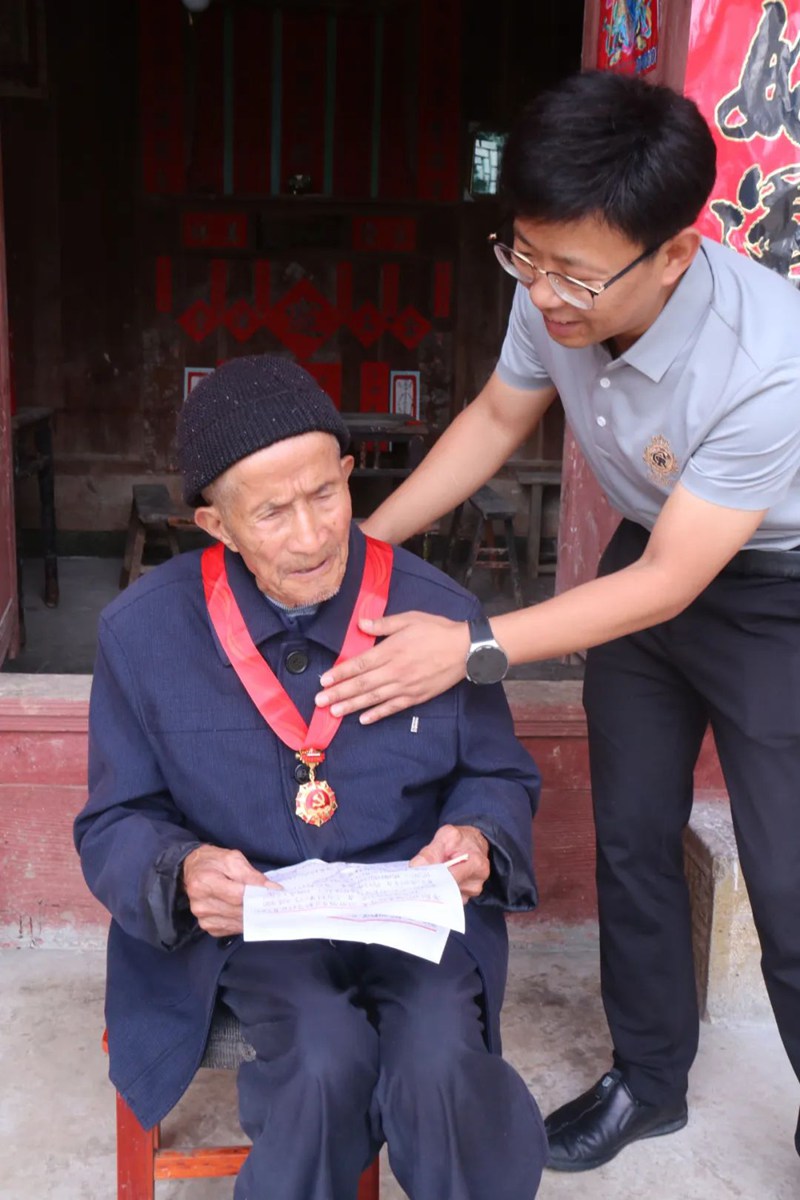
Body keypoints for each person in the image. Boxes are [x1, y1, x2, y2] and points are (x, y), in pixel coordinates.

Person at [313, 71, 800, 1172]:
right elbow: (494, 416)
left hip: (774, 591)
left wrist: (474, 648)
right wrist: (362, 551)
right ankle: (648, 1081)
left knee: (788, 881)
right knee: (629, 837)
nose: (543, 294)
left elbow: (678, 579)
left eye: (571, 273)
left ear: (672, 253)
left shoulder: (771, 358)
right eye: (522, 257)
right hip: (648, 554)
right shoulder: (551, 285)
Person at [73, 355, 548, 1200]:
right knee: (324, 1061)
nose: (312, 534)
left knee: (442, 1062)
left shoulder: (437, 612)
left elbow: (497, 773)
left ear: (349, 474)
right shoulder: (143, 634)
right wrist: (180, 873)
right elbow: (115, 818)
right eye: (271, 513)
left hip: (406, 904)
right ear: (214, 525)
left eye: (325, 496)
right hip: (256, 925)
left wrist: (477, 836)